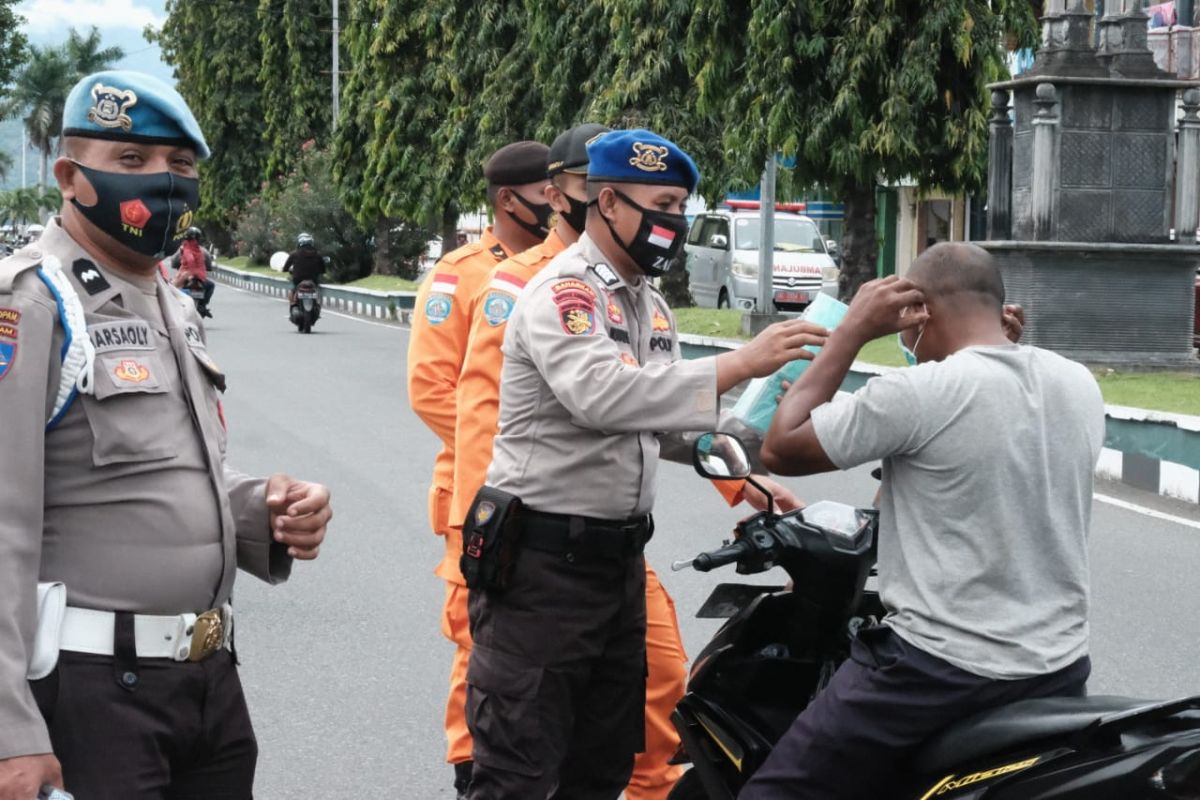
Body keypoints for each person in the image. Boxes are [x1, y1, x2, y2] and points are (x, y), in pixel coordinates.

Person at [462, 129, 825, 800]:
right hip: (542, 568)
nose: (674, 223)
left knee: (601, 768)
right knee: (518, 772)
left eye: (682, 208)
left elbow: (661, 419)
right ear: (608, 203)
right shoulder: (563, 295)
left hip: (615, 568)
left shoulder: (647, 302)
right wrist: (740, 362)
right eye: (661, 204)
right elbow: (605, 396)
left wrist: (740, 471)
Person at [0, 70, 333, 799]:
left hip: (207, 681)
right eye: (131, 161)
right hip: (92, 694)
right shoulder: (30, 302)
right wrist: (8, 732)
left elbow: (159, 472)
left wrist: (261, 511)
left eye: (179, 166)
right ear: (70, 176)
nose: (163, 180)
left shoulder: (171, 304)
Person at [748, 243, 1105, 799]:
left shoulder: (919, 394)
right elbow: (970, 448)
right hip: (1057, 668)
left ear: (923, 312)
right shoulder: (1077, 383)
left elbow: (781, 446)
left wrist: (851, 333)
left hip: (933, 670)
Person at [407, 140, 552, 798]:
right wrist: (511, 454)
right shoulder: (460, 276)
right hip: (480, 493)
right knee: (478, 639)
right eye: (546, 195)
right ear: (507, 200)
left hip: (557, 495)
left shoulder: (569, 272)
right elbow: (433, 389)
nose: (558, 205)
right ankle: (474, 772)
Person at [170, 225, 215, 317]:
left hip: (186, 276)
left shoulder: (182, 249)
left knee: (171, 288)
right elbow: (209, 266)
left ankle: (173, 306)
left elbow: (173, 264)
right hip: (194, 276)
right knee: (211, 285)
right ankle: (203, 305)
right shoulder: (202, 251)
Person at [282, 232, 324, 302]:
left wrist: (285, 269)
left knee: (293, 288)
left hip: (298, 279)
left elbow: (286, 267)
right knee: (317, 289)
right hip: (313, 279)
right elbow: (323, 269)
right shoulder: (317, 255)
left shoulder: (294, 254)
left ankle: (293, 303)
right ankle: (317, 303)